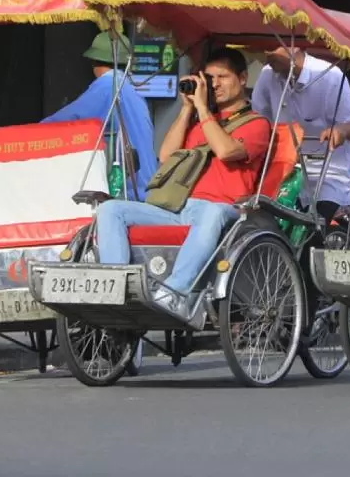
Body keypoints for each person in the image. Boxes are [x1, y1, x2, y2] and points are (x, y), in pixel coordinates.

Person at [94, 47, 271, 319]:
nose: (214, 84)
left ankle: (172, 295)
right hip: (179, 208)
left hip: (224, 212)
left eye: (222, 76)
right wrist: (187, 109)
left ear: (243, 78)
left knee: (211, 212)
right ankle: (114, 292)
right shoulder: (199, 122)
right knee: (111, 209)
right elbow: (166, 155)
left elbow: (225, 151)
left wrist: (202, 108)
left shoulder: (257, 124)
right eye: (209, 78)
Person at [252, 47, 350, 223]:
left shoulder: (330, 75)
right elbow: (258, 119)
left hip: (327, 174)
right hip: (285, 172)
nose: (267, 55)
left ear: (294, 46)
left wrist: (341, 131)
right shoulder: (268, 74)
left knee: (313, 230)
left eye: (273, 48)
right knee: (263, 222)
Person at [42, 31, 157, 199]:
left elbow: (63, 121)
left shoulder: (107, 86)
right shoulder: (132, 89)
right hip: (148, 188)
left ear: (94, 62)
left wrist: (27, 134)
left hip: (128, 191)